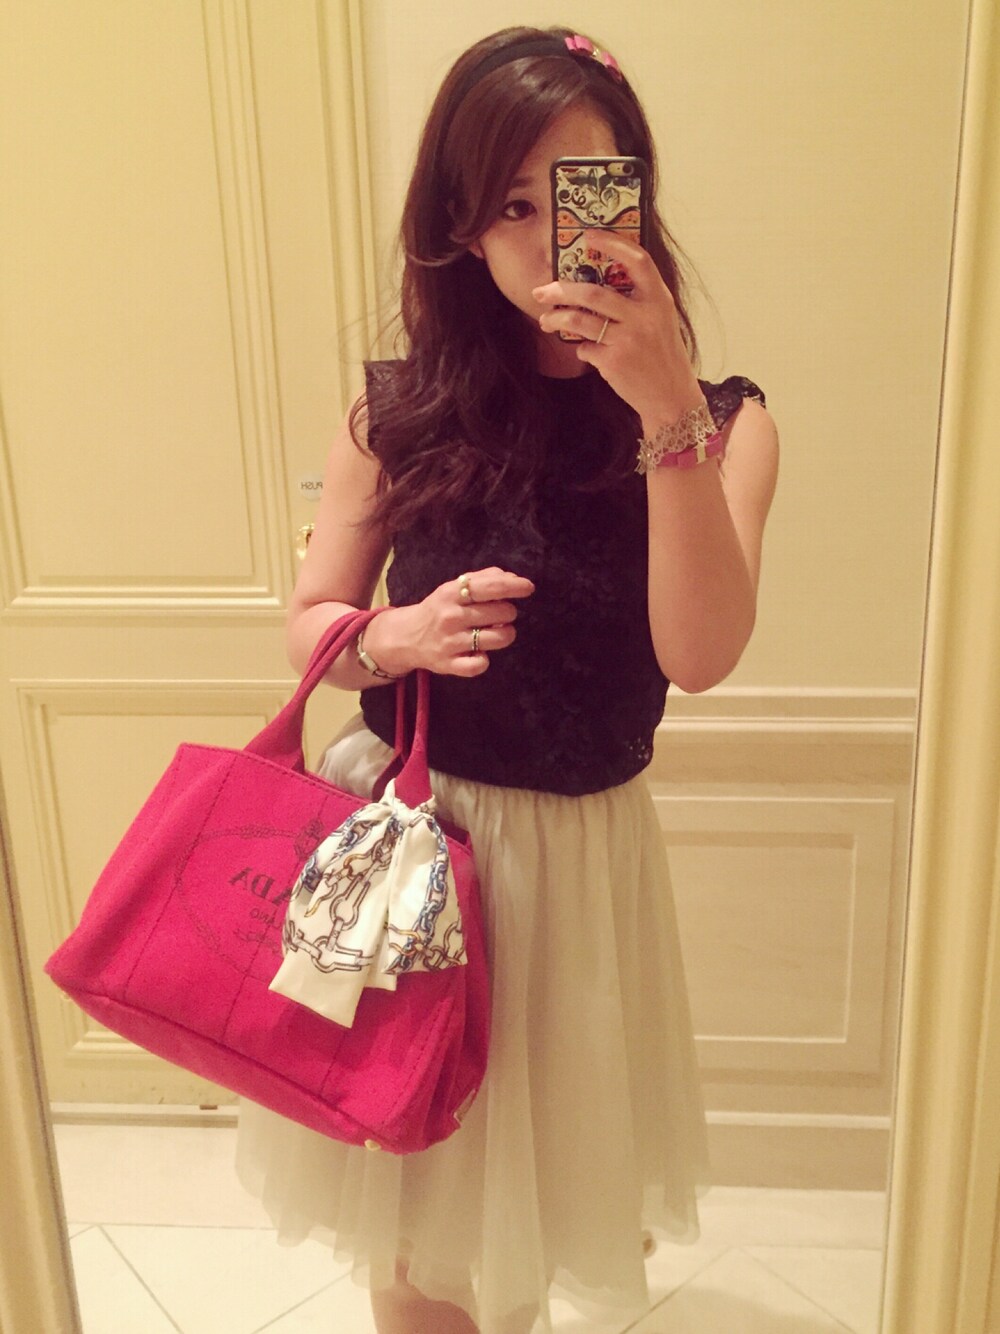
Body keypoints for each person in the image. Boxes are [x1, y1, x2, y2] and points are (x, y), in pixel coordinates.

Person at [235, 23, 779, 1334]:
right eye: (510, 204)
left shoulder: (724, 423)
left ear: (631, 198)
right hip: (409, 846)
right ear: (460, 224)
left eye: (578, 194)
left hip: (579, 884)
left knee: (524, 1230)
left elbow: (701, 656)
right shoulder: (399, 411)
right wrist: (392, 636)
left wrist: (667, 418)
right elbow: (308, 622)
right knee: (414, 1234)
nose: (546, 240)